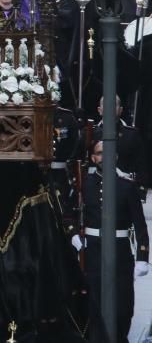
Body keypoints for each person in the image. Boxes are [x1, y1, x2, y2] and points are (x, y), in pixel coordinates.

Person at [76, 141, 149, 342]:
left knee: (123, 302)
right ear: (93, 158)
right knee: (94, 300)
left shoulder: (127, 186)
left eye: (108, 154)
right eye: (99, 153)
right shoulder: (85, 183)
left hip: (120, 249)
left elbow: (140, 224)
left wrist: (143, 256)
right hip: (93, 249)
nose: (104, 157)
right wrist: (74, 233)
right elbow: (73, 212)